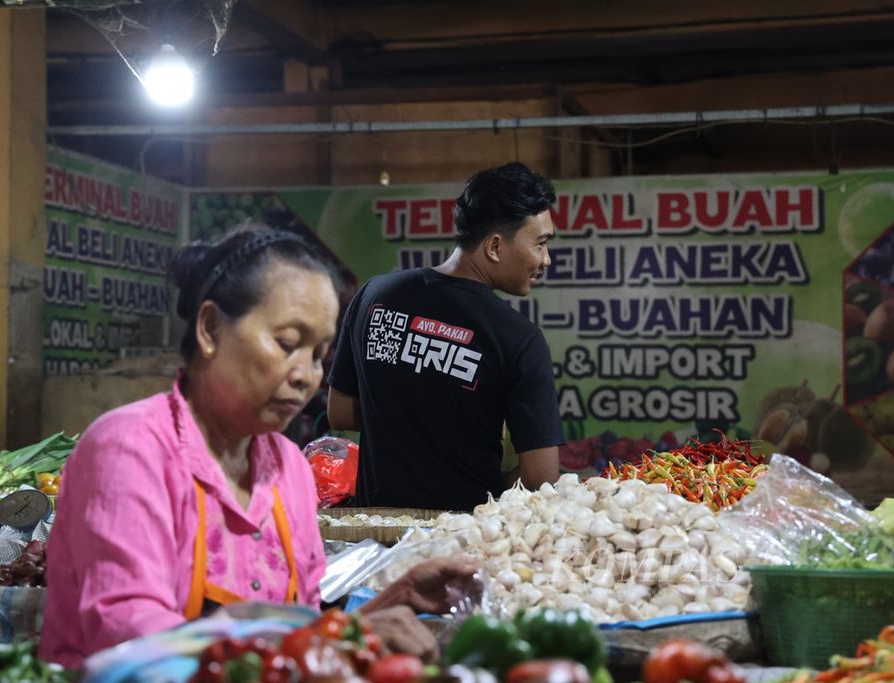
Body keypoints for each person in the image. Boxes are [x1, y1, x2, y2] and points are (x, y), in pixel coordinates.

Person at [40, 226, 479, 668]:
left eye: (318, 355)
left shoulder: (288, 468)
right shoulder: (130, 449)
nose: (306, 375)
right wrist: (332, 638)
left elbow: (297, 644)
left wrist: (391, 601)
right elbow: (131, 640)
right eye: (288, 344)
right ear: (211, 328)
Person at [327, 162, 564, 511]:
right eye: (541, 244)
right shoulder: (518, 338)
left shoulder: (374, 295)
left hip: (375, 535)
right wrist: (486, 485)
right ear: (495, 247)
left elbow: (340, 413)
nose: (546, 259)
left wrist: (411, 415)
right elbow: (542, 476)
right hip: (462, 538)